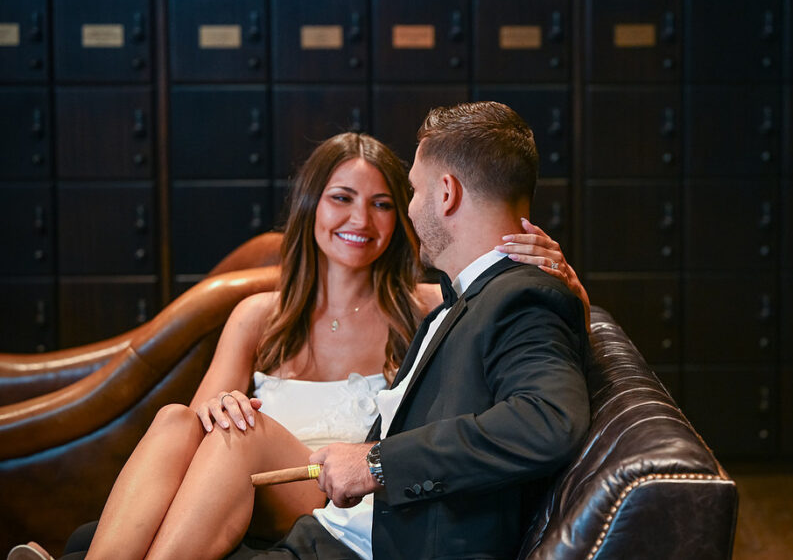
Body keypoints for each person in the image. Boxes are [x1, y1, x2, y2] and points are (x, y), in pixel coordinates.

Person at [7, 130, 585, 560]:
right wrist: (222, 406)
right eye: (342, 198)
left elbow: (516, 318)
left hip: (336, 491)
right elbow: (204, 416)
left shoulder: (431, 308)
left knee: (237, 438)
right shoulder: (260, 314)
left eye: (387, 201)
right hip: (239, 487)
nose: (363, 218)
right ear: (312, 205)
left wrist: (568, 290)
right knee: (176, 420)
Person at [225, 101, 591, 560]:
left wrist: (376, 463)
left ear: (446, 194)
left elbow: (547, 422)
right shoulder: (466, 297)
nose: (409, 213)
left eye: (411, 192)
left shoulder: (521, 298)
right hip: (334, 530)